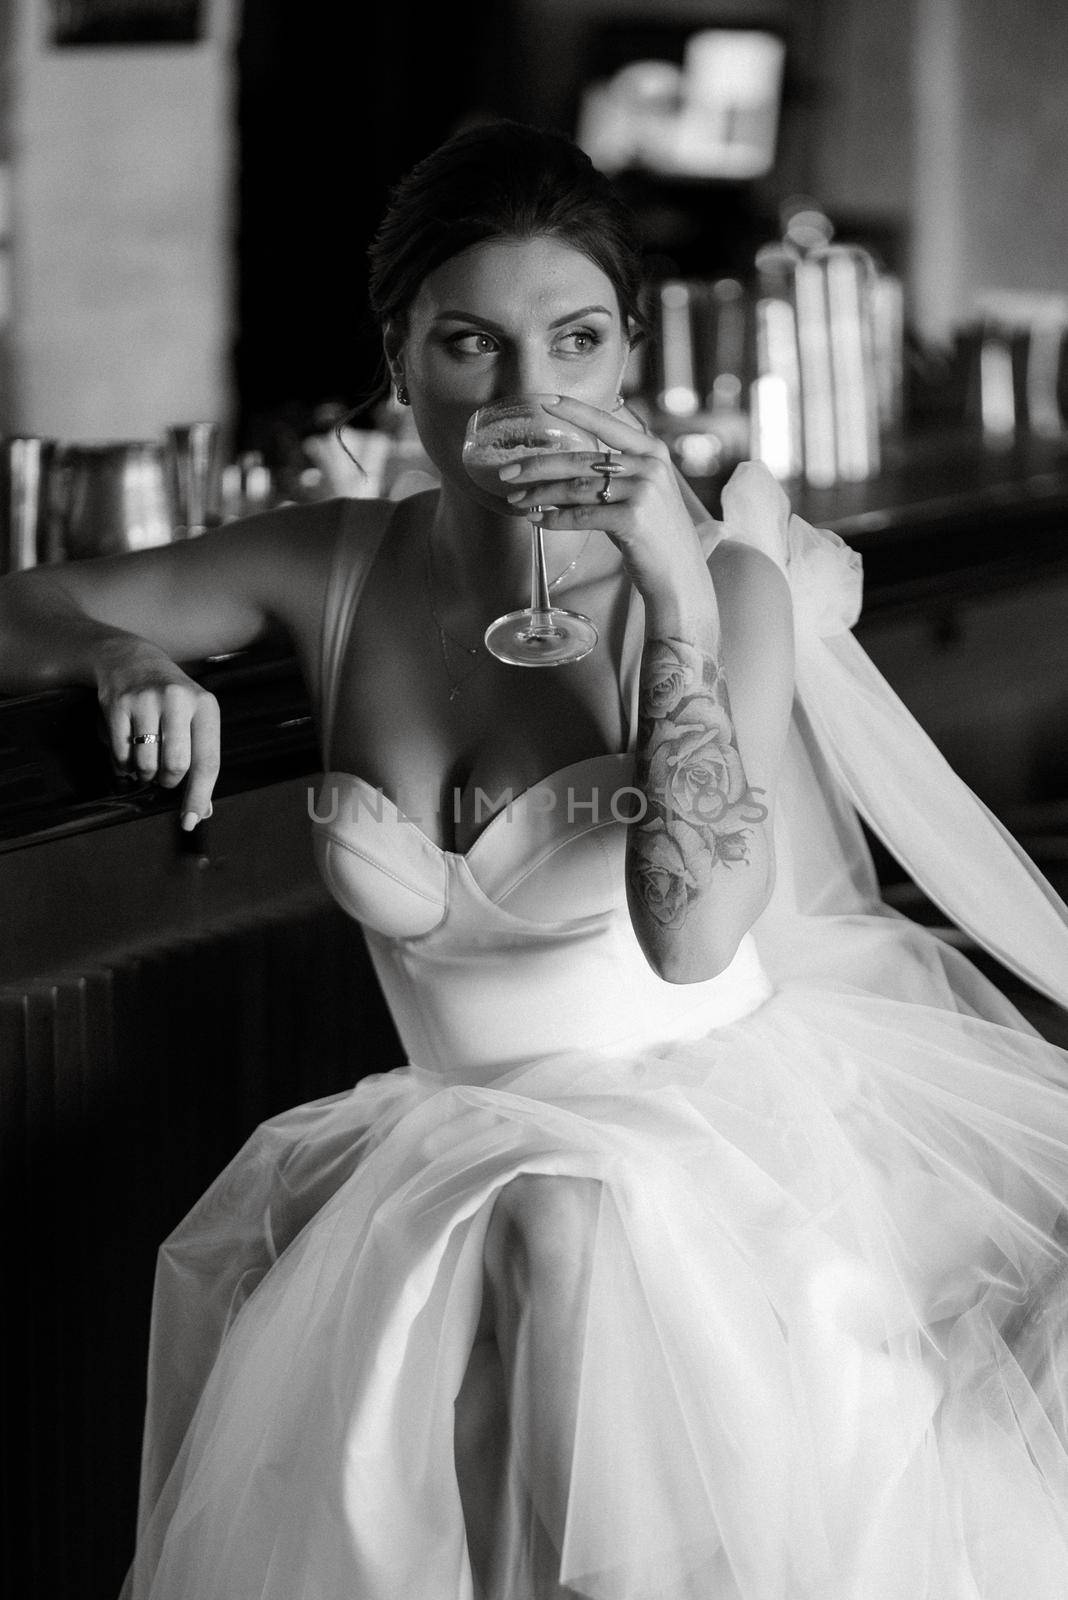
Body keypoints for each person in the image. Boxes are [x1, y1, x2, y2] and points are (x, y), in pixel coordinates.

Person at [3, 119, 1068, 1600]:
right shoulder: (337, 566)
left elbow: (692, 942)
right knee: (522, 1223)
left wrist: (674, 599)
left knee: (555, 1224)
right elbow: (22, 598)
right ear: (399, 358)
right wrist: (120, 656)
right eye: (469, 348)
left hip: (711, 1163)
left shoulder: (731, 592)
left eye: (573, 342)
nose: (529, 398)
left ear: (627, 351)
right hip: (457, 1148)